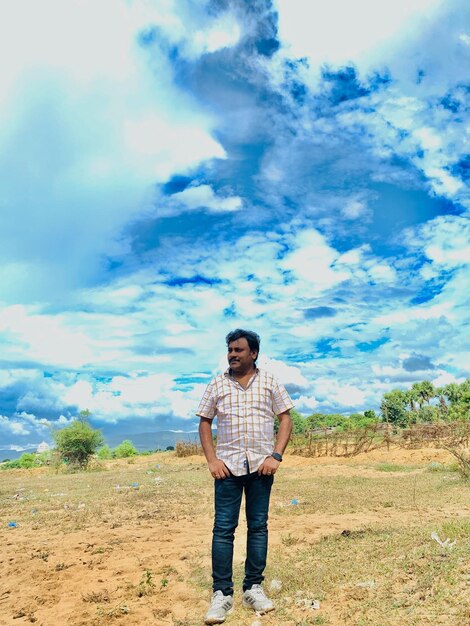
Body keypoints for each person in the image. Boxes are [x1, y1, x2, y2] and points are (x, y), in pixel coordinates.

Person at [197, 329, 294, 624]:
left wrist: (275, 456)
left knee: (258, 526)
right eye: (230, 350)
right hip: (226, 468)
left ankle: (253, 588)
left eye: (239, 350)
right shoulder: (217, 384)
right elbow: (204, 421)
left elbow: (286, 417)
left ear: (253, 353)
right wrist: (212, 460)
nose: (232, 355)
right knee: (223, 529)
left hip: (261, 468)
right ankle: (221, 594)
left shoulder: (269, 381)